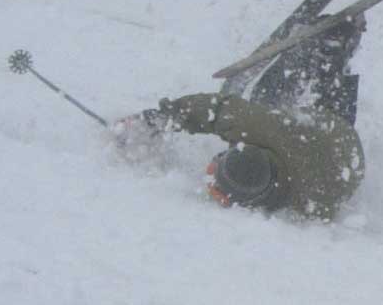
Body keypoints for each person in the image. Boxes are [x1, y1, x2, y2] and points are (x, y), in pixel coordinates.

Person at [118, 19, 366, 220]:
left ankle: (325, 58)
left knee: (276, 103)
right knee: (269, 100)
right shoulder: (267, 131)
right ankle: (330, 47)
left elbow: (220, 111)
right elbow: (217, 110)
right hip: (332, 138)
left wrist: (159, 120)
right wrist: (161, 118)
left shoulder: (302, 204)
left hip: (348, 164)